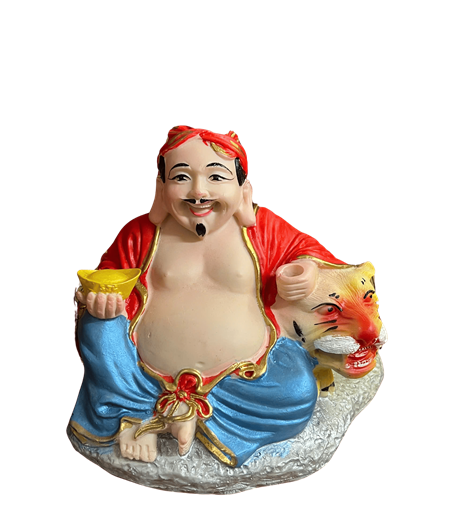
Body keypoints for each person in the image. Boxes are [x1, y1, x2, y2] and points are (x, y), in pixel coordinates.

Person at [70, 126, 346, 467]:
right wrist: (100, 300)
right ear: (161, 188)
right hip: (143, 374)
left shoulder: (263, 228)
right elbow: (108, 274)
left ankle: (191, 415)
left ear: (243, 189)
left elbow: (315, 256)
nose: (199, 192)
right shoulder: (141, 234)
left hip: (242, 375)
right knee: (97, 327)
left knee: (297, 391)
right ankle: (135, 411)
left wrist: (306, 270)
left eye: (216, 177)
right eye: (181, 177)